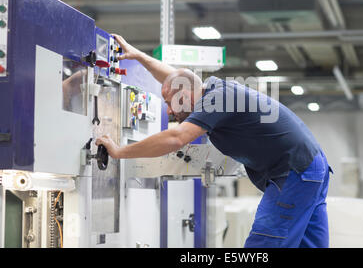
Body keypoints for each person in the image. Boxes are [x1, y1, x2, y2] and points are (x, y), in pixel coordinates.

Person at [96, 34, 333, 248]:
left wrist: (119, 151)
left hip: (295, 171)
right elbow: (172, 78)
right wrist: (138, 56)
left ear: (184, 95)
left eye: (169, 102)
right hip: (311, 167)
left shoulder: (215, 100)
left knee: (264, 244)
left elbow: (177, 137)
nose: (168, 110)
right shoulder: (210, 91)